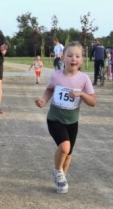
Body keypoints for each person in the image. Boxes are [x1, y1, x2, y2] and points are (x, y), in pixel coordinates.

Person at [34, 41, 96, 193]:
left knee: (68, 154)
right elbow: (49, 90)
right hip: (55, 118)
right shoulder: (56, 76)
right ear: (62, 58)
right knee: (64, 147)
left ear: (82, 60)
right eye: (69, 55)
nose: (73, 58)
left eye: (77, 56)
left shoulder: (84, 78)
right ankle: (58, 172)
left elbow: (93, 101)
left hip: (72, 121)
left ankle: (61, 177)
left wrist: (81, 94)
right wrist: (43, 100)